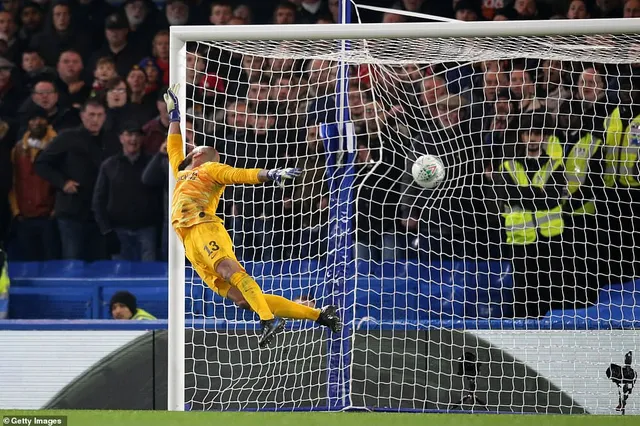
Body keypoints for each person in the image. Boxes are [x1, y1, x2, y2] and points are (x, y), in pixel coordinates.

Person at [163, 84, 342, 348]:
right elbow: (174, 146)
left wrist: (270, 174)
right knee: (242, 299)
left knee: (228, 269)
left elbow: (240, 174)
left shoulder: (210, 169)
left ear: (199, 155)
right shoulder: (181, 172)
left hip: (203, 225)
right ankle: (319, 315)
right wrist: (174, 117)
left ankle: (268, 319)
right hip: (188, 240)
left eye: (194, 149)